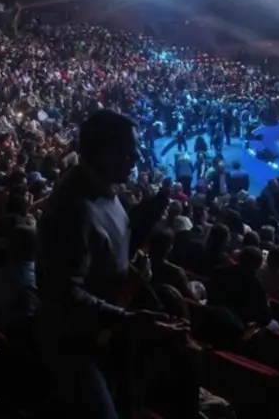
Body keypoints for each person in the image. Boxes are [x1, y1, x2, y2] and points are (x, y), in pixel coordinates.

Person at [36, 109, 176, 419]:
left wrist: (146, 217)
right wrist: (127, 319)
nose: (136, 158)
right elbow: (63, 294)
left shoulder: (100, 190)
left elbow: (108, 244)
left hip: (104, 336)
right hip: (73, 347)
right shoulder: (74, 208)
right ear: (102, 153)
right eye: (128, 152)